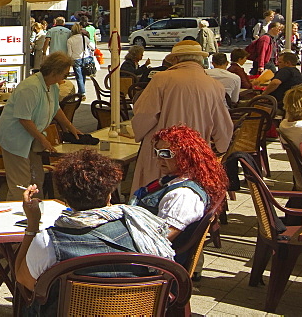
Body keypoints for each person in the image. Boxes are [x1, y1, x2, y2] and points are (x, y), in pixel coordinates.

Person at [14, 149, 175, 302]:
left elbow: (23, 279)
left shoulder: (48, 242)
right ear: (109, 195)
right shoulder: (142, 230)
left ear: (66, 200)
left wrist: (32, 225)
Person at [130, 41, 233, 188]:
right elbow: (224, 127)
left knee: (155, 196)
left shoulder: (161, 79)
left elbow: (143, 115)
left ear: (175, 59)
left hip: (162, 154)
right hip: (195, 154)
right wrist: (220, 150)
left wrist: (138, 133)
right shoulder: (214, 85)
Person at [0, 52, 85, 200]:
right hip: (15, 138)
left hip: (31, 137)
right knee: (20, 182)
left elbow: (55, 108)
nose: (65, 78)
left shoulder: (52, 86)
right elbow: (24, 119)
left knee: (36, 177)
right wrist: (43, 140)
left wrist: (69, 126)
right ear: (55, 72)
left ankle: (35, 207)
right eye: (65, 74)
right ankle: (17, 212)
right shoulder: (30, 87)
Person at [131, 125, 227, 261]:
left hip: (151, 264)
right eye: (156, 152)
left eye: (165, 154)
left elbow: (159, 240)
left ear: (185, 155)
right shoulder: (173, 180)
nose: (159, 159)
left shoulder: (184, 196)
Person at [67, 22, 95, 97]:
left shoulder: (70, 40)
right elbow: (92, 47)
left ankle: (82, 92)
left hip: (76, 59)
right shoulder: (84, 38)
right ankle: (82, 90)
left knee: (79, 76)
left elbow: (69, 53)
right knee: (83, 76)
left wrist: (69, 61)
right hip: (85, 58)